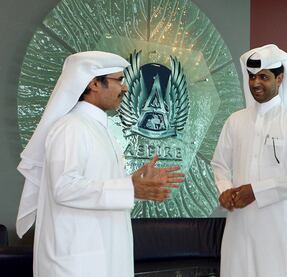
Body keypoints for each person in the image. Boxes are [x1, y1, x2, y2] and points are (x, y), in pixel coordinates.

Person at [15, 51, 184, 277]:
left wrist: (133, 184)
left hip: (101, 258)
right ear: (94, 83)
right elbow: (64, 188)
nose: (124, 88)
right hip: (76, 264)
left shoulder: (97, 129)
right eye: (119, 80)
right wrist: (128, 188)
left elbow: (96, 185)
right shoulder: (71, 128)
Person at [211, 44, 287, 277]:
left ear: (280, 79)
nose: (255, 83)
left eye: (263, 77)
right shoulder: (235, 120)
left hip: (279, 229)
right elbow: (219, 164)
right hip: (240, 225)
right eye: (251, 77)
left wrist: (256, 191)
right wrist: (225, 189)